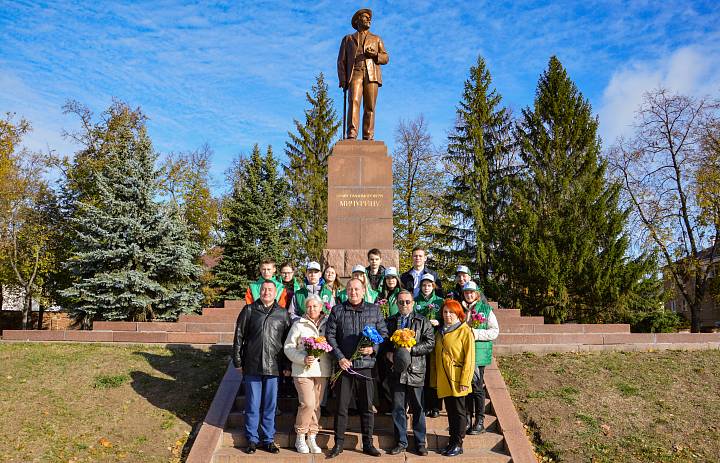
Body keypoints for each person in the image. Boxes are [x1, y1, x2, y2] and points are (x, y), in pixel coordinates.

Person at [325, 278, 389, 458]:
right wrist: (340, 358)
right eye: (350, 289)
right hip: (344, 367)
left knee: (366, 407)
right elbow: (330, 336)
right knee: (341, 407)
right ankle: (338, 444)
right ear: (346, 291)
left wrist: (373, 348)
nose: (353, 292)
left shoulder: (374, 309)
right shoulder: (337, 310)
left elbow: (383, 334)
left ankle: (368, 443)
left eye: (357, 289)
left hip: (366, 367)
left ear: (363, 290)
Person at [233, 280, 292, 454]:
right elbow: (239, 337)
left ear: (276, 293)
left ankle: (268, 439)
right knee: (252, 404)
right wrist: (237, 361)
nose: (267, 292)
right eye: (264, 289)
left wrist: (287, 365)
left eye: (270, 290)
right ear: (260, 291)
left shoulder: (282, 314)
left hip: (274, 367)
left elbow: (288, 342)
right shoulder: (249, 310)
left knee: (270, 405)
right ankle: (251, 439)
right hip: (252, 365)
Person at [384, 290, 435, 456]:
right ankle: (401, 442)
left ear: (413, 303)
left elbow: (430, 344)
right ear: (396, 304)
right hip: (396, 372)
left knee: (418, 408)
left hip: (416, 371)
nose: (404, 305)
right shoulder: (390, 321)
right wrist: (388, 354)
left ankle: (420, 442)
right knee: (398, 408)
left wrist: (411, 350)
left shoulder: (422, 321)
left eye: (407, 301)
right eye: (400, 302)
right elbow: (383, 343)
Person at [283, 295, 332, 454]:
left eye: (315, 306)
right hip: (303, 370)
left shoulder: (328, 323)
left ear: (321, 307)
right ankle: (300, 435)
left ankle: (312, 436)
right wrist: (302, 358)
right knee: (308, 403)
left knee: (316, 405)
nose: (312, 309)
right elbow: (288, 347)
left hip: (322, 370)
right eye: (309, 306)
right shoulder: (298, 324)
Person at [430, 300, 475, 457]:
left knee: (459, 412)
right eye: (445, 312)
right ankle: (452, 440)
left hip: (457, 379)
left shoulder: (464, 331)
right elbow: (436, 357)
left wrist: (465, 381)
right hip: (444, 379)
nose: (447, 315)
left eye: (451, 312)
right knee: (450, 411)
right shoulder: (440, 331)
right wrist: (434, 379)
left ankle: (458, 443)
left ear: (458, 314)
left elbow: (470, 358)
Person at [337, 8, 389, 140]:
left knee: (370, 105)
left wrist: (375, 55)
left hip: (371, 74)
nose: (368, 20)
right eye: (365, 17)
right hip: (355, 73)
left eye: (369, 18)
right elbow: (341, 61)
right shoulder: (348, 39)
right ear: (357, 20)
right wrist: (342, 79)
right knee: (353, 101)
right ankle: (352, 134)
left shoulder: (376, 39)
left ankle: (368, 135)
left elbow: (386, 58)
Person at [460, 281, 499, 435]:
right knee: (466, 387)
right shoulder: (461, 308)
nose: (469, 295)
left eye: (471, 292)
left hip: (478, 353)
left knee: (476, 387)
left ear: (476, 293)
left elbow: (494, 331)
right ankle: (468, 418)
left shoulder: (486, 309)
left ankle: (480, 422)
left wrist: (475, 334)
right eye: (466, 292)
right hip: (463, 353)